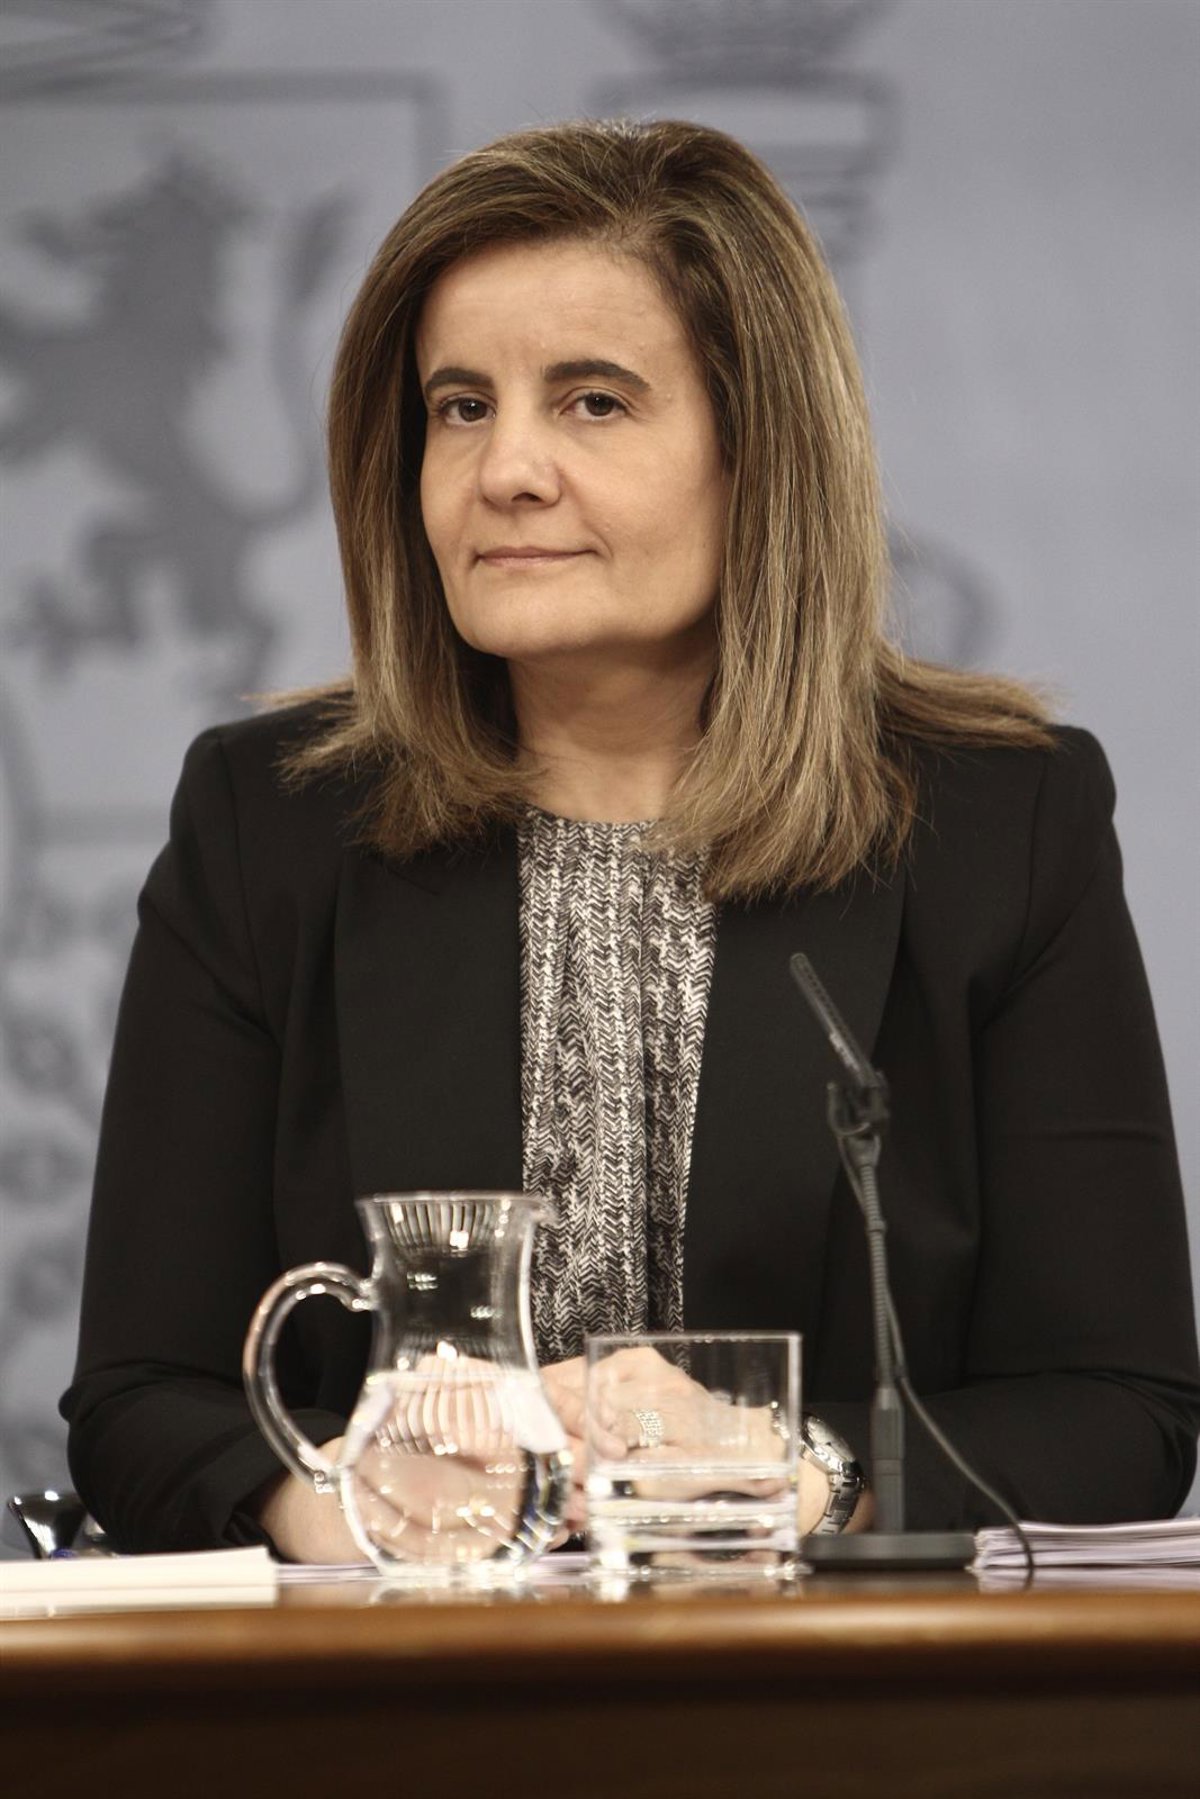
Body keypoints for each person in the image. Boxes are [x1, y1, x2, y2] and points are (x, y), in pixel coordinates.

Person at [62, 119, 1200, 1559]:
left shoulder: (997, 821)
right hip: (401, 1675)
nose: (506, 470)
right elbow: (141, 1405)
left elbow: (1120, 1413)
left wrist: (802, 1473)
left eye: (593, 402)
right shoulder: (269, 822)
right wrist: (360, 1506)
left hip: (840, 1688)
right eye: (459, 406)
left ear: (760, 450)